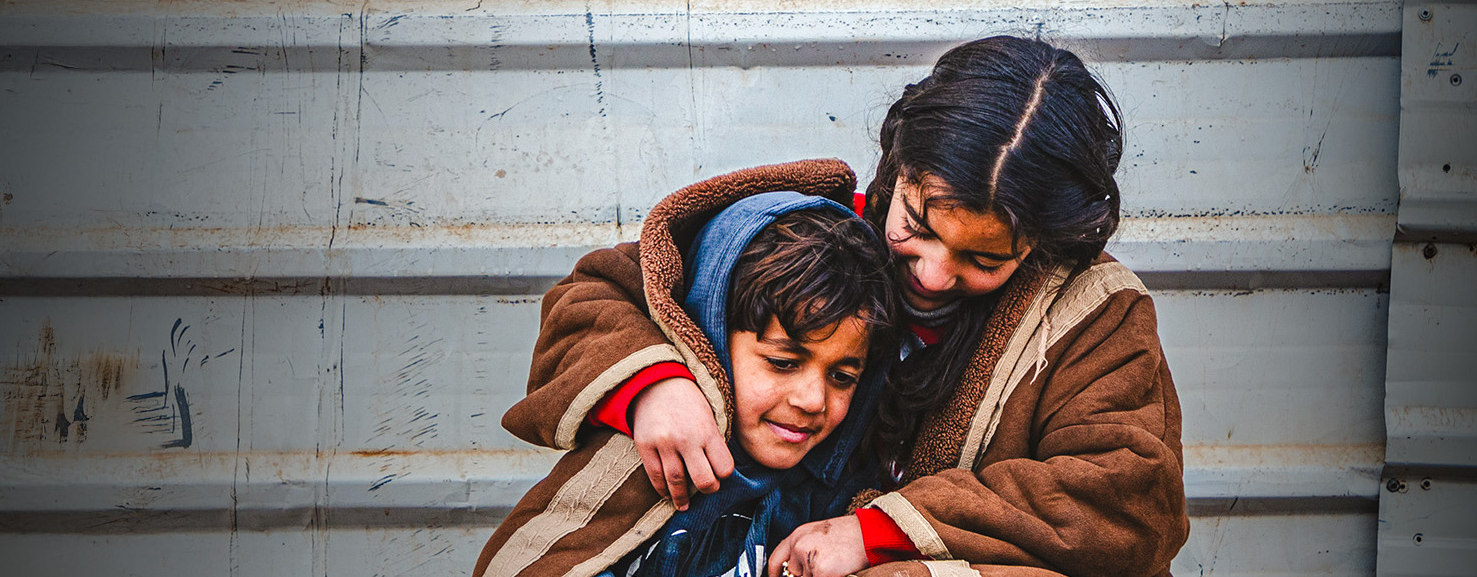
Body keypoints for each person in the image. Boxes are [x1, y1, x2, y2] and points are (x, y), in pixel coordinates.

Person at [493, 36, 1188, 577]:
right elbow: (599, 293)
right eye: (917, 226)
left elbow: (1128, 498)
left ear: (1044, 243)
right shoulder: (809, 240)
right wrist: (657, 387)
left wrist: (881, 533)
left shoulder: (1092, 318)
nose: (933, 276)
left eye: (984, 260)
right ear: (897, 166)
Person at [472, 161, 902, 577]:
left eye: (842, 377)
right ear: (711, 335)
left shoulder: (838, 502)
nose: (812, 400)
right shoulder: (654, 443)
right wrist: (654, 387)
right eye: (782, 363)